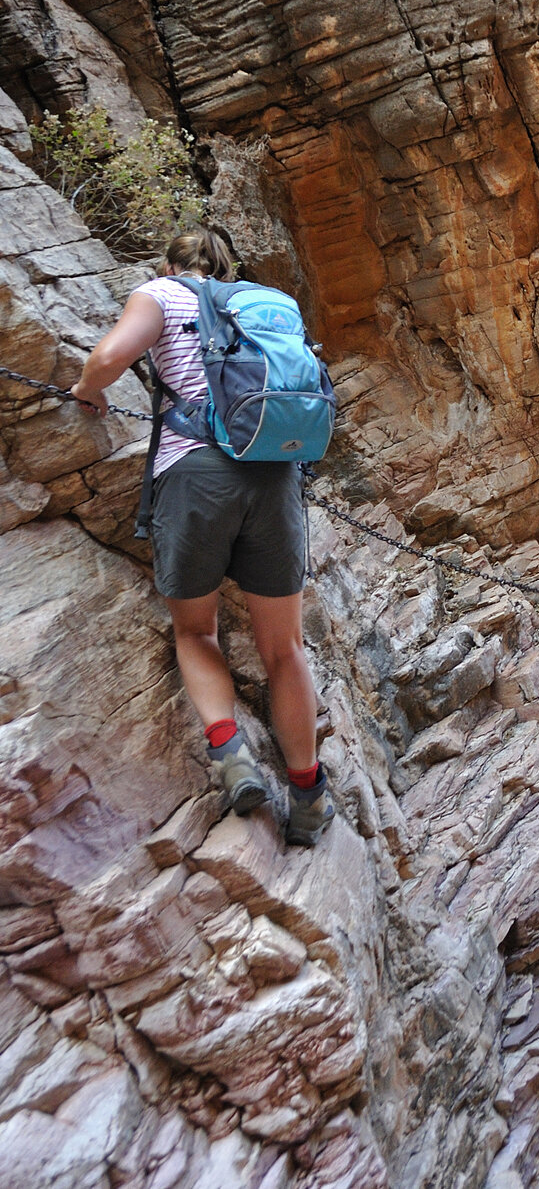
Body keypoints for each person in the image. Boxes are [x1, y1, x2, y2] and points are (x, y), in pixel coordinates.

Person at [68, 226, 334, 846]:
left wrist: (86, 392)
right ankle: (308, 791)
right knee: (285, 650)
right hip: (274, 477)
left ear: (169, 263)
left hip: (195, 476)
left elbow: (108, 360)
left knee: (196, 628)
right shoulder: (268, 303)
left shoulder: (161, 293)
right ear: (228, 266)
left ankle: (232, 752)